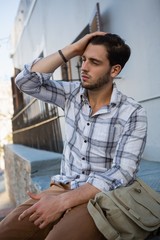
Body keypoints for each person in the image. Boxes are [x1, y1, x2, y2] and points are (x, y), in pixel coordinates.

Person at [0, 32, 147, 240]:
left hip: (99, 196)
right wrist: (72, 49)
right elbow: (26, 82)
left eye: (94, 62)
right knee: (7, 231)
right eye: (83, 59)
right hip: (62, 186)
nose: (84, 67)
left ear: (114, 70)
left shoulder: (132, 112)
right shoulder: (71, 94)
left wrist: (64, 202)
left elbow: (123, 172)